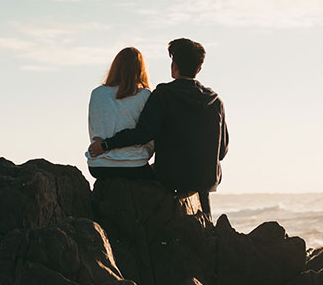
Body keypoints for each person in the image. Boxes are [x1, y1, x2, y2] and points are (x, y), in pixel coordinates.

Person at [88, 38, 229, 218]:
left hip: (171, 177)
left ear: (173, 66)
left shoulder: (163, 95)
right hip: (206, 179)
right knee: (197, 183)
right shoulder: (216, 101)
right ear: (199, 69)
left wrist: (106, 145)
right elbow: (222, 150)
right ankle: (207, 223)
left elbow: (143, 133)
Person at [86, 47, 155, 180]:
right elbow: (149, 135)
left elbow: (94, 130)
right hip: (134, 165)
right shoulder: (144, 95)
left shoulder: (97, 93)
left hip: (98, 166)